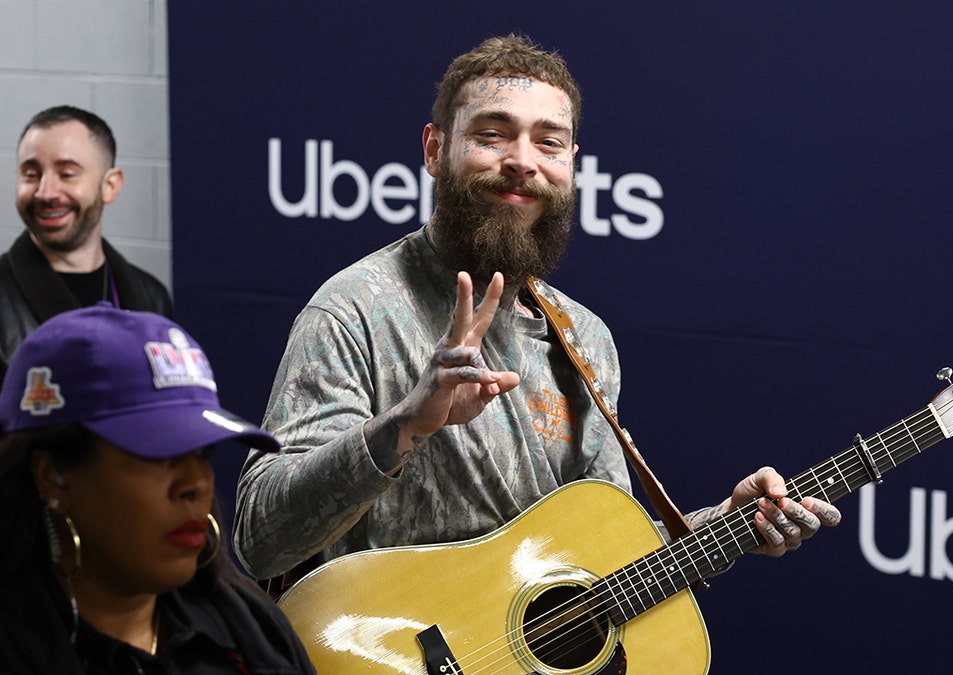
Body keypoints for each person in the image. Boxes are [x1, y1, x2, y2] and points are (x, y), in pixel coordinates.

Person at [235, 34, 841, 583]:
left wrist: (725, 526)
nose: (522, 160)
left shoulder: (584, 337)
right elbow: (261, 542)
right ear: (434, 149)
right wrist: (408, 425)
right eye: (492, 135)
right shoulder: (354, 310)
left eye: (548, 142)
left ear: (571, 164)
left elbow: (601, 563)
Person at [0, 304, 315, 673]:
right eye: (159, 453)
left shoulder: (255, 637)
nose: (196, 483)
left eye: (203, 451)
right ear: (51, 474)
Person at [0, 106, 173, 382]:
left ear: (110, 185)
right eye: (31, 174)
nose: (46, 192)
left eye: (67, 173)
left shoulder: (151, 298)